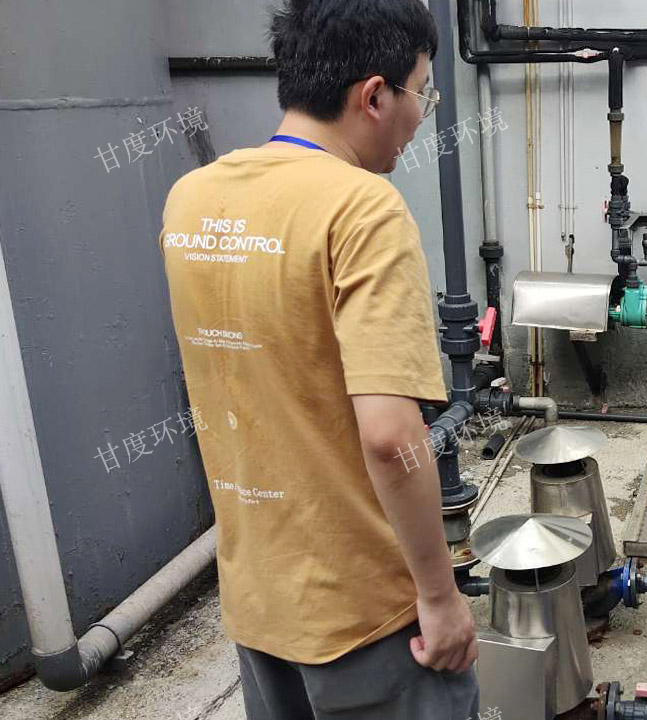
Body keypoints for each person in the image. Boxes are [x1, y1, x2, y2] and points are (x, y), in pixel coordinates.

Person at [157, 1, 478, 718]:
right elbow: (391, 436)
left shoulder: (191, 199)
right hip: (365, 615)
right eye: (423, 93)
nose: (421, 116)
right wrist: (438, 596)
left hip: (256, 601)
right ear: (374, 95)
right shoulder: (363, 209)